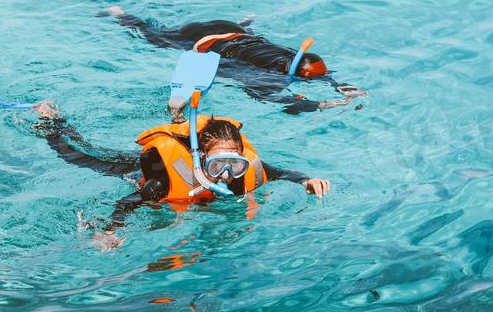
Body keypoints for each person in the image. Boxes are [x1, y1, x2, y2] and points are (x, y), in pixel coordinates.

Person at [32, 102, 330, 245]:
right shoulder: (165, 181)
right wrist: (111, 231)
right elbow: (127, 204)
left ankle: (178, 114)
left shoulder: (245, 172)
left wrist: (307, 180)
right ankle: (51, 121)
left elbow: (281, 172)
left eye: (233, 165)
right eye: (217, 167)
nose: (226, 175)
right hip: (132, 169)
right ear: (200, 162)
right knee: (79, 153)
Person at [105, 7, 366, 114]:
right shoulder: (267, 78)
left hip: (230, 29)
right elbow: (269, 99)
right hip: (198, 37)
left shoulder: (291, 55)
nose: (322, 76)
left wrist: (337, 83)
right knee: (156, 36)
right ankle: (121, 15)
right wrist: (321, 104)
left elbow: (320, 72)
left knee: (250, 41)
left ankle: (245, 22)